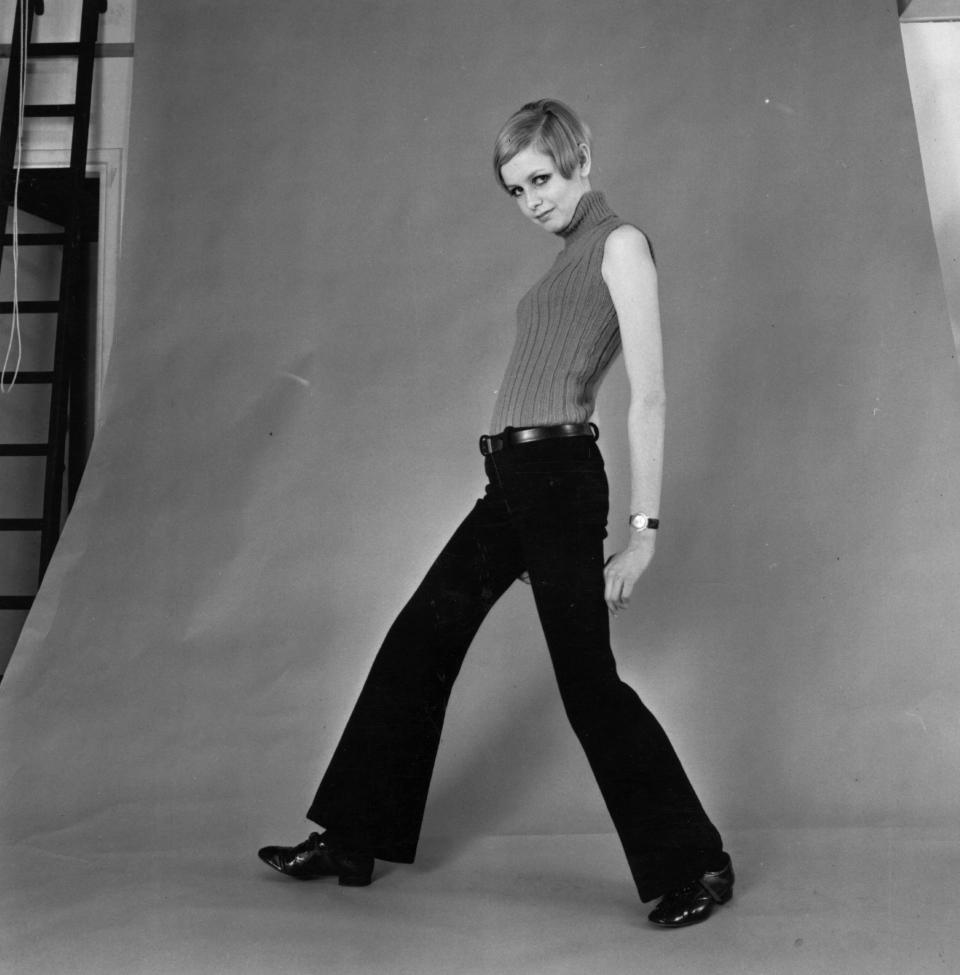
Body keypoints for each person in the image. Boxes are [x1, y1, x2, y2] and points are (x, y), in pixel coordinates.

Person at [258, 99, 734, 928]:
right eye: (517, 191)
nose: (533, 202)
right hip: (511, 481)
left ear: (581, 157)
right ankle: (352, 836)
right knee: (419, 639)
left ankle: (699, 862)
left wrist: (643, 534)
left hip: (558, 480)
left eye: (542, 180)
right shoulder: (561, 261)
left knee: (587, 681)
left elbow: (649, 394)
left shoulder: (620, 245)